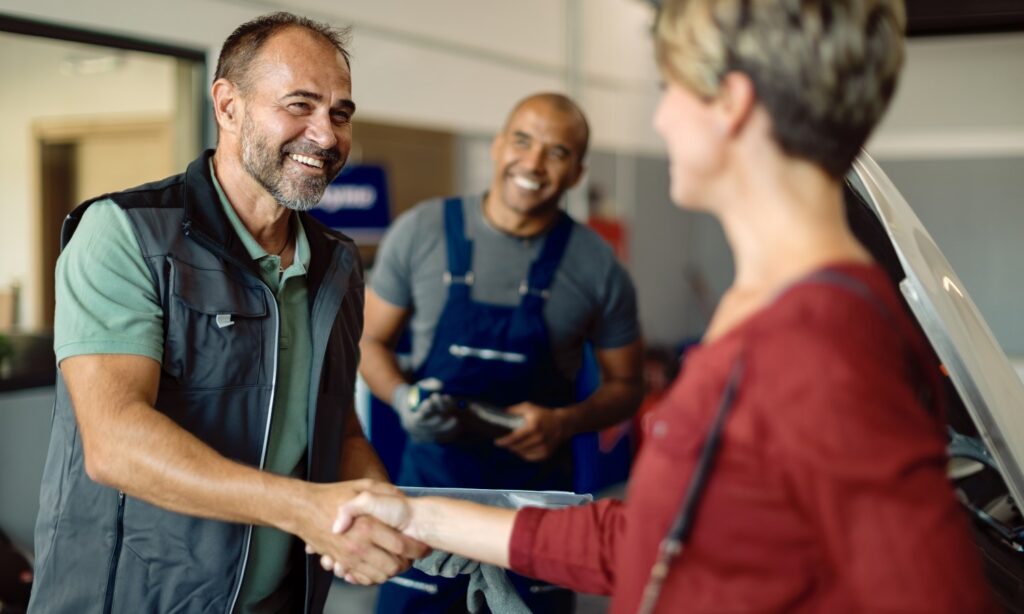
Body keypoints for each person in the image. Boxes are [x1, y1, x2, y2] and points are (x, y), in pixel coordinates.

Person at [320, 1, 998, 612]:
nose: (661, 116)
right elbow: (656, 537)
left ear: (730, 104)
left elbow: (930, 588)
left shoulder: (819, 343)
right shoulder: (768, 310)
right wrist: (417, 516)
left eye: (669, 90)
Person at [28, 12, 426, 614]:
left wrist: (383, 511)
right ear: (228, 105)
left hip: (276, 598)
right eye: (299, 105)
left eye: (340, 113)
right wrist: (303, 508)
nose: (326, 135)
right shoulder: (124, 235)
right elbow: (114, 442)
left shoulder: (336, 263)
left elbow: (337, 428)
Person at [358, 92, 644, 612]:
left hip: (534, 514)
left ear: (577, 173)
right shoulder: (421, 232)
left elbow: (628, 386)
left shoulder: (598, 267)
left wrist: (563, 422)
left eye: (557, 152)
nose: (533, 162)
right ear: (497, 146)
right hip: (429, 511)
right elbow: (369, 341)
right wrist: (403, 401)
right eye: (522, 140)